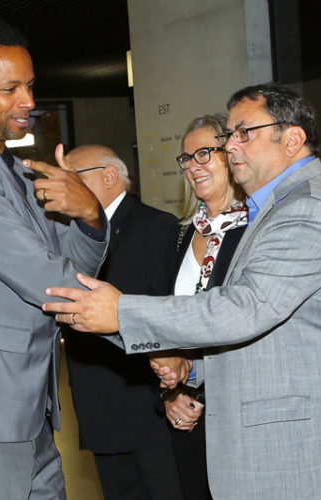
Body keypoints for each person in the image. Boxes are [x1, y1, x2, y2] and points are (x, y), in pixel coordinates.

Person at [43, 82, 321, 499]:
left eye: (245, 133)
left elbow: (245, 308)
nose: (231, 146)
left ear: (292, 139)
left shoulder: (307, 208)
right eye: (230, 135)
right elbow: (271, 336)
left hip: (298, 454)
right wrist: (191, 370)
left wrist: (122, 312)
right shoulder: (275, 208)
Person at [0, 19, 108, 499]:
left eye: (30, 86)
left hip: (32, 406)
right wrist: (148, 336)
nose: (28, 102)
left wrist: (90, 215)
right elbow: (48, 280)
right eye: (9, 89)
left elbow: (77, 266)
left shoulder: (20, 172)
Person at [61, 144, 183, 500]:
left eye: (73, 177)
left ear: (109, 176)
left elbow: (168, 313)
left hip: (147, 409)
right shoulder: (71, 233)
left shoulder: (155, 226)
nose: (65, 186)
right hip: (98, 409)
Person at [161, 114, 247, 499]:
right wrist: (171, 392)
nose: (193, 166)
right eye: (186, 158)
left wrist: (200, 386)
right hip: (186, 411)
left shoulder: (256, 231)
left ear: (231, 153)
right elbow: (167, 324)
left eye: (204, 154)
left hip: (240, 410)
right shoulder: (179, 236)